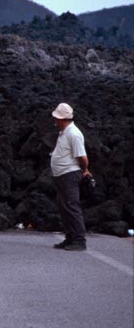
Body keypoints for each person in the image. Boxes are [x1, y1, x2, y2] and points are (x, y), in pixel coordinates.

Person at [50, 103, 91, 251]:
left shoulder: (74, 133)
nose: (54, 120)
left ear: (62, 119)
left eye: (56, 118)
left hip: (69, 175)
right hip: (61, 175)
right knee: (64, 207)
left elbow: (83, 157)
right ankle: (70, 237)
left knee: (72, 206)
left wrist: (85, 170)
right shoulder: (65, 132)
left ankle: (79, 240)